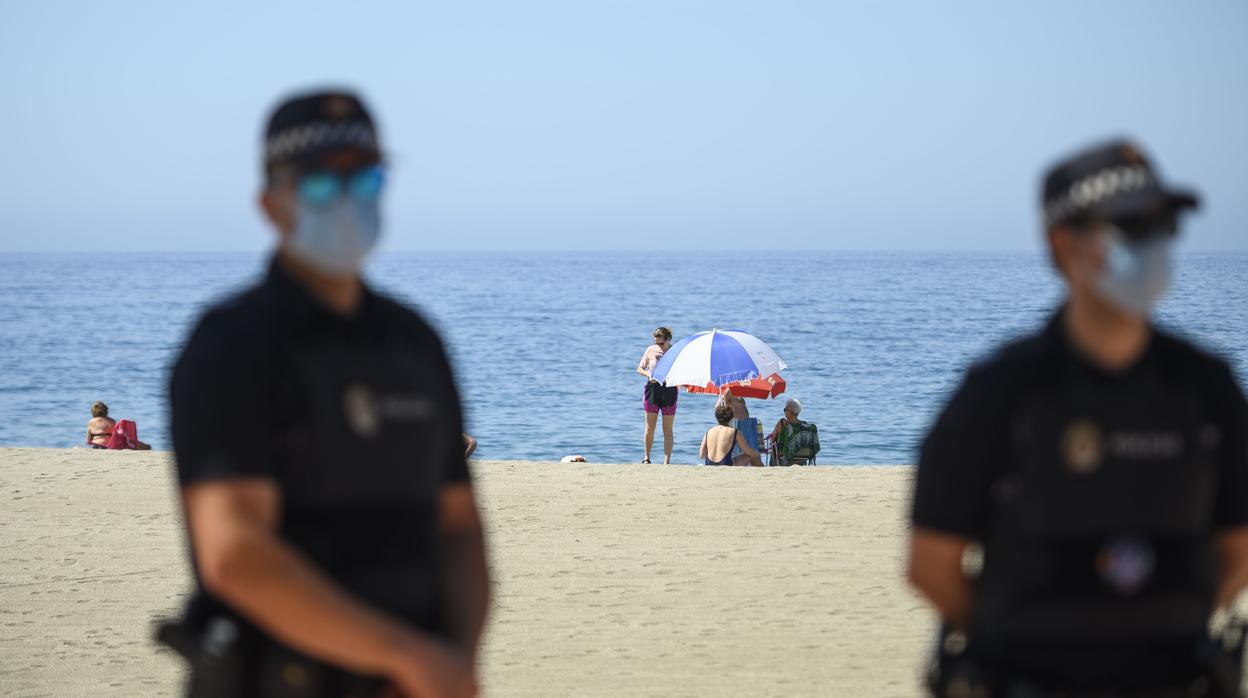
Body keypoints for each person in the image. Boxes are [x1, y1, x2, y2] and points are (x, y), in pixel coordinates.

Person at [162, 90, 489, 698]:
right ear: (270, 203)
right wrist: (408, 655)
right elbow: (234, 551)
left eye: (364, 178)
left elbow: (461, 530)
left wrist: (454, 661)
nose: (344, 199)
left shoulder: (414, 342)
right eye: (317, 183)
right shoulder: (233, 344)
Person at [907, 140, 1248, 695]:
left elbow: (1240, 547)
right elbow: (930, 563)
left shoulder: (1208, 390)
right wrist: (1012, 645)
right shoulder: (999, 394)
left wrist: (1164, 628)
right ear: (1065, 246)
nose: (1154, 244)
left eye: (1162, 226)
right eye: (1131, 227)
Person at [637, 326, 678, 464]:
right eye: (656, 343)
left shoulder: (675, 351)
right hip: (653, 389)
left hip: (670, 390)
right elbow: (640, 368)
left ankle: (667, 461)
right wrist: (648, 374)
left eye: (661, 343)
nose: (659, 346)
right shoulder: (651, 350)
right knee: (650, 427)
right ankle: (647, 457)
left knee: (667, 429)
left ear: (668, 340)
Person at [768, 398, 817, 466]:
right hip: (803, 457)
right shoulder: (805, 424)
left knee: (774, 446)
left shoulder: (782, 423)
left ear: (790, 411)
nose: (784, 411)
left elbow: (773, 439)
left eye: (785, 409)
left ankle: (773, 466)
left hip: (786, 456)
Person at [721, 393, 765, 465]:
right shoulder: (728, 391)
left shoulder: (736, 390)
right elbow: (724, 403)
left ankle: (752, 461)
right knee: (745, 449)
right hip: (737, 423)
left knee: (749, 448)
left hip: (745, 424)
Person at [85, 401, 151, 450]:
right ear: (106, 411)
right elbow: (115, 437)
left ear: (93, 412)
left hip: (95, 446)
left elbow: (88, 440)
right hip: (108, 446)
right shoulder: (112, 421)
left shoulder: (91, 422)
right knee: (142, 445)